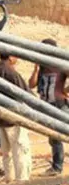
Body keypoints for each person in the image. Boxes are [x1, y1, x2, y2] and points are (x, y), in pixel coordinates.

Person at [28, 38, 68, 176]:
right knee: (53, 138)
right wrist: (35, 69)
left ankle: (57, 167)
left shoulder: (60, 65)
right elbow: (31, 84)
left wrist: (65, 91)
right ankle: (57, 167)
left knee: (58, 135)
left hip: (59, 105)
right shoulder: (42, 67)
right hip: (46, 106)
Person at [0, 53, 32, 182]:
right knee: (19, 150)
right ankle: (22, 181)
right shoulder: (11, 72)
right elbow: (25, 95)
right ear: (11, 57)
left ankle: (9, 178)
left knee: (6, 152)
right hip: (13, 118)